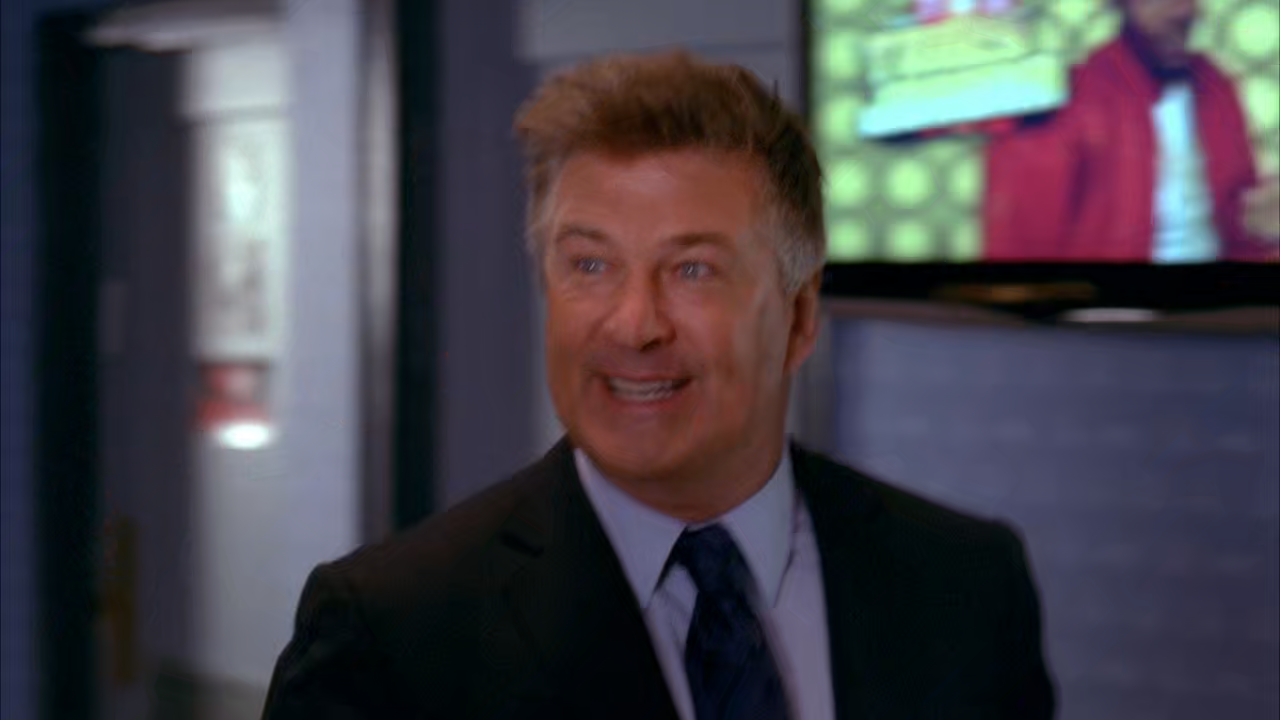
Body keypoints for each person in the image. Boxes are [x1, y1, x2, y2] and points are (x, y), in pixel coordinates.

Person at [261, 50, 1056, 720]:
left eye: (693, 270)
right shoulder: (391, 632)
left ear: (799, 316)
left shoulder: (966, 583)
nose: (634, 324)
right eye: (591, 265)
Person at [983, 0, 1280, 261]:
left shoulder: (1217, 86)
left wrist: (1264, 224)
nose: (1183, 10)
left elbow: (1243, 223)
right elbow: (1020, 243)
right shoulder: (1071, 98)